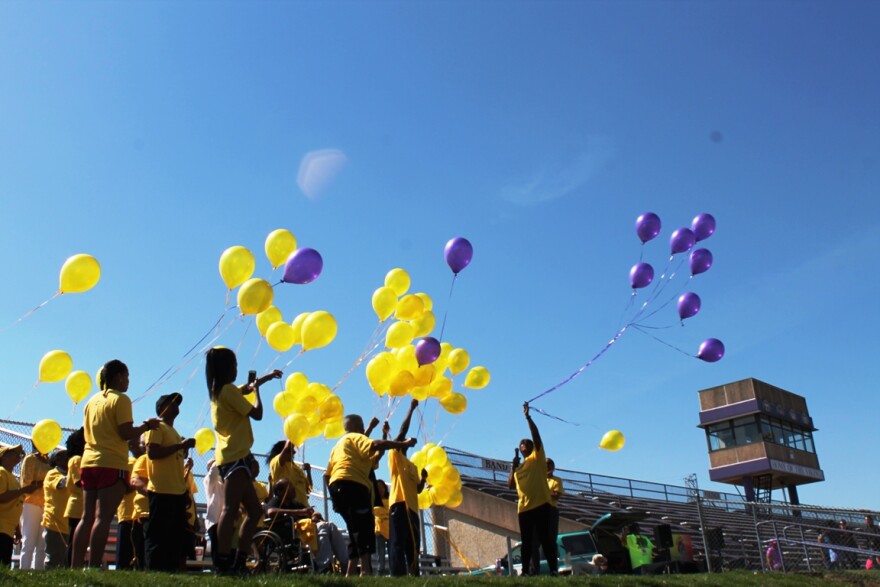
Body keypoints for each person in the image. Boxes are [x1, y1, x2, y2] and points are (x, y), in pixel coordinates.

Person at [71, 360, 161, 569]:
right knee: (102, 518)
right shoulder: (121, 399)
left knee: (86, 517)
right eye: (127, 376)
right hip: (111, 463)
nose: (128, 381)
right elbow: (125, 433)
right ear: (119, 376)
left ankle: (74, 566)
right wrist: (146, 426)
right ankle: (93, 566)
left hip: (88, 462)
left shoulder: (90, 402)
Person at [206, 347, 281, 573]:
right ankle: (223, 561)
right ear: (227, 368)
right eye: (234, 365)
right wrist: (258, 393)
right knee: (229, 509)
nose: (237, 368)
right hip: (235, 457)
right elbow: (257, 414)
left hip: (233, 457)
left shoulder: (220, 392)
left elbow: (245, 388)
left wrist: (262, 380)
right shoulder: (228, 391)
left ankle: (238, 560)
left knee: (255, 511)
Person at [324, 413, 416, 577]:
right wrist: (402, 443)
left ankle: (350, 571)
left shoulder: (338, 447)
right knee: (364, 528)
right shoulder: (355, 437)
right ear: (358, 427)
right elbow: (375, 445)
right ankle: (365, 570)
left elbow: (327, 474)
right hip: (354, 485)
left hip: (337, 487)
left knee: (354, 530)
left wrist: (333, 495)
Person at [144, 392, 196, 572]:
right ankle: (154, 570)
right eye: (171, 402)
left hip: (176, 491)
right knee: (158, 535)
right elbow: (153, 453)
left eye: (177, 403)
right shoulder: (157, 427)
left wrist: (184, 449)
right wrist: (181, 446)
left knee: (175, 536)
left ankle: (170, 571)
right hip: (161, 490)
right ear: (161, 409)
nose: (176, 405)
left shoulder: (174, 432)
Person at [507, 402, 557, 576]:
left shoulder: (537, 458)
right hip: (524, 509)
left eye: (525, 444)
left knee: (546, 539)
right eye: (521, 445)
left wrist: (528, 417)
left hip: (541, 504)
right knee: (526, 542)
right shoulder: (519, 467)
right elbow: (510, 485)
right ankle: (526, 571)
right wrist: (513, 467)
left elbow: (536, 436)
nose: (523, 446)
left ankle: (553, 570)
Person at [387, 399, 428, 577]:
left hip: (412, 507)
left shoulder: (412, 465)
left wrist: (424, 479)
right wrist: (411, 409)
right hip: (398, 503)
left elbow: (418, 490)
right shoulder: (394, 455)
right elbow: (402, 431)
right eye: (401, 440)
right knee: (397, 541)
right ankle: (398, 575)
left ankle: (414, 573)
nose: (403, 440)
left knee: (414, 542)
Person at [0, 444, 41, 567]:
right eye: (13, 452)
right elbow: (1, 497)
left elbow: (15, 504)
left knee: (4, 566)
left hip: (7, 529)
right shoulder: (1, 472)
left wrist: (17, 529)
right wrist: (24, 490)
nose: (19, 454)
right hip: (1, 527)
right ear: (3, 457)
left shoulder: (11, 477)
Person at [18, 444, 50, 570]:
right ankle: (24, 571)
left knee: (42, 544)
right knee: (28, 540)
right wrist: (44, 482)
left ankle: (38, 573)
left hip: (46, 504)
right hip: (30, 503)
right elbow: (26, 484)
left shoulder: (50, 461)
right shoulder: (30, 459)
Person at [115, 438, 144, 571]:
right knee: (125, 558)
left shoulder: (146, 462)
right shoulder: (128, 462)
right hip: (127, 514)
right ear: (132, 446)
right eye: (141, 442)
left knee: (140, 555)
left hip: (141, 514)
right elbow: (126, 487)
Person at [40, 449, 70, 569]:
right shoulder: (53, 474)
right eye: (67, 456)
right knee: (53, 558)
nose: (70, 458)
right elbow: (62, 484)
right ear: (57, 460)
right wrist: (75, 469)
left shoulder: (71, 474)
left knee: (67, 561)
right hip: (54, 524)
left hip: (67, 524)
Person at [266, 441, 312, 508]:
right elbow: (287, 448)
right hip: (289, 508)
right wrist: (293, 436)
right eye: (291, 450)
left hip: (303, 508)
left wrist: (308, 472)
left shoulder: (296, 467)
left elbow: (308, 489)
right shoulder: (275, 462)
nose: (294, 452)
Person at [63, 428, 85, 567]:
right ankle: (71, 566)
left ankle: (75, 566)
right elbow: (79, 482)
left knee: (80, 540)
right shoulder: (76, 459)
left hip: (82, 505)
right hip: (77, 505)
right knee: (74, 541)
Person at [129, 437, 149, 570]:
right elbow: (134, 481)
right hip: (143, 511)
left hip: (155, 509)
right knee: (141, 548)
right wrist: (154, 495)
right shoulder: (142, 460)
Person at [203, 459, 224, 563]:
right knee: (217, 547)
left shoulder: (224, 481)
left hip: (226, 519)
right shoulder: (208, 480)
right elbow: (213, 472)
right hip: (214, 520)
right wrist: (219, 457)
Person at [373, 479, 390, 575]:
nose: (380, 489)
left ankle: (394, 573)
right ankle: (380, 572)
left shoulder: (390, 500)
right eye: (378, 487)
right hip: (379, 532)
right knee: (381, 554)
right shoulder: (373, 501)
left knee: (392, 554)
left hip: (391, 531)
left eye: (382, 487)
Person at [546, 458, 563, 544]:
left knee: (551, 537)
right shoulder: (539, 480)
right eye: (545, 464)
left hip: (551, 510)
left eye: (549, 464)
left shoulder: (557, 480)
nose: (547, 466)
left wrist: (544, 492)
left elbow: (556, 496)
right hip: (539, 509)